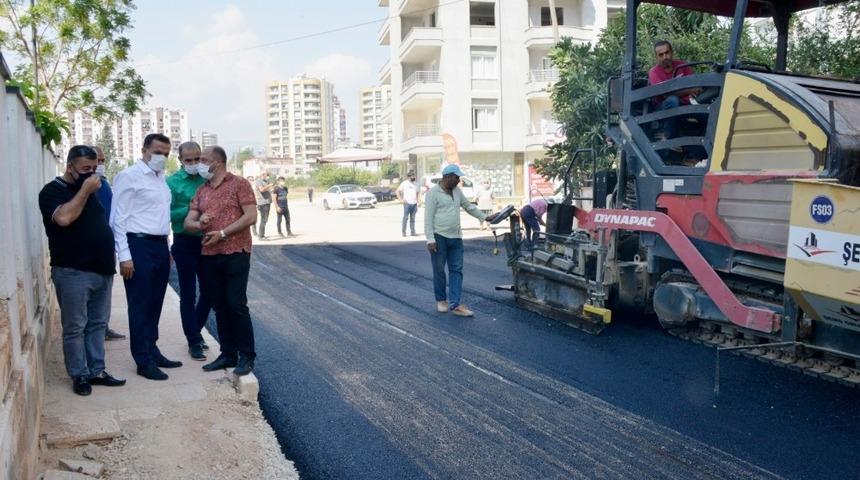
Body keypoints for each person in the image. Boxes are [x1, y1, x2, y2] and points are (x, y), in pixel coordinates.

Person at [38, 145, 126, 396]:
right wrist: (85, 191)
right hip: (72, 271)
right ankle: (79, 374)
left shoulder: (94, 190)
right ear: (70, 167)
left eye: (95, 167)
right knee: (75, 326)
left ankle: (97, 370)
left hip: (102, 269)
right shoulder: (52, 191)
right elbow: (64, 218)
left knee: (97, 324)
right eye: (86, 168)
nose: (92, 173)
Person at [110, 133, 183, 381]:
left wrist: (167, 247)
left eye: (166, 153)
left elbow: (161, 216)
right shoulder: (129, 176)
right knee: (140, 304)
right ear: (144, 150)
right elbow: (117, 219)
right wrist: (124, 256)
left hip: (160, 246)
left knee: (155, 302)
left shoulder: (161, 178)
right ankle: (142, 360)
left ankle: (153, 350)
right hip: (137, 245)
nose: (162, 157)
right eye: (157, 152)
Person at [185, 146, 258, 376]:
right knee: (220, 306)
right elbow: (188, 222)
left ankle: (247, 356)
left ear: (217, 162)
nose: (199, 164)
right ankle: (228, 353)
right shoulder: (202, 190)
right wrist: (200, 224)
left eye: (203, 159)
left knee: (236, 304)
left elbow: (251, 216)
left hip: (236, 252)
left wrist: (223, 233)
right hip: (209, 255)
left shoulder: (239, 184)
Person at [424, 164, 497, 317]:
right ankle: (441, 300)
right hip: (439, 237)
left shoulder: (457, 191)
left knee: (456, 270)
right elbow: (428, 218)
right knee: (439, 270)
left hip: (456, 237)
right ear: (448, 177)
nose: (458, 180)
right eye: (457, 177)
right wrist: (430, 239)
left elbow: (468, 206)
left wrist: (485, 217)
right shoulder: (433, 193)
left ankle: (455, 304)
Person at [167, 141, 212, 361]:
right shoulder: (171, 182)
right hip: (184, 241)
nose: (194, 163)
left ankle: (195, 330)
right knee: (188, 293)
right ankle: (193, 341)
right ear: (180, 160)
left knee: (210, 292)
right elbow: (166, 214)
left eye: (198, 158)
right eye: (189, 160)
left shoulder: (208, 178)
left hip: (208, 241)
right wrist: (192, 209)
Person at [92, 146, 126, 341]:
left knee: (105, 290)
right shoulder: (87, 186)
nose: (100, 164)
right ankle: (95, 330)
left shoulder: (104, 184)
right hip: (91, 247)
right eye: (97, 160)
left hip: (107, 245)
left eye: (102, 160)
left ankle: (103, 327)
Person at [648, 40, 699, 144]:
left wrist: (695, 91)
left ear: (672, 52)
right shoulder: (654, 72)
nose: (665, 57)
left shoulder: (682, 65)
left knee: (709, 113)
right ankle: (670, 139)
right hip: (664, 108)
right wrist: (689, 91)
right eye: (661, 55)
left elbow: (695, 84)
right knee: (673, 100)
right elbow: (665, 94)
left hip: (687, 105)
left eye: (667, 53)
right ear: (656, 57)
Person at [396, 171, 419, 237]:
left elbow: (417, 193)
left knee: (413, 218)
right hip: (407, 204)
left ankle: (413, 232)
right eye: (412, 176)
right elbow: (397, 191)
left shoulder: (416, 184)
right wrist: (401, 200)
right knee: (405, 218)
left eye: (414, 176)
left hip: (414, 204)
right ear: (408, 177)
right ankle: (404, 232)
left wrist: (418, 201)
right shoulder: (404, 183)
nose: (413, 177)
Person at [253, 172, 274, 241]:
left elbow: (269, 190)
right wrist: (269, 185)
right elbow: (261, 190)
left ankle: (262, 234)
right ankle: (261, 236)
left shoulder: (266, 181)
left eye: (268, 175)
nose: (268, 176)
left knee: (265, 219)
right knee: (263, 219)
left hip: (267, 202)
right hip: (262, 203)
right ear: (262, 175)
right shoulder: (259, 181)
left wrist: (271, 189)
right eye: (267, 175)